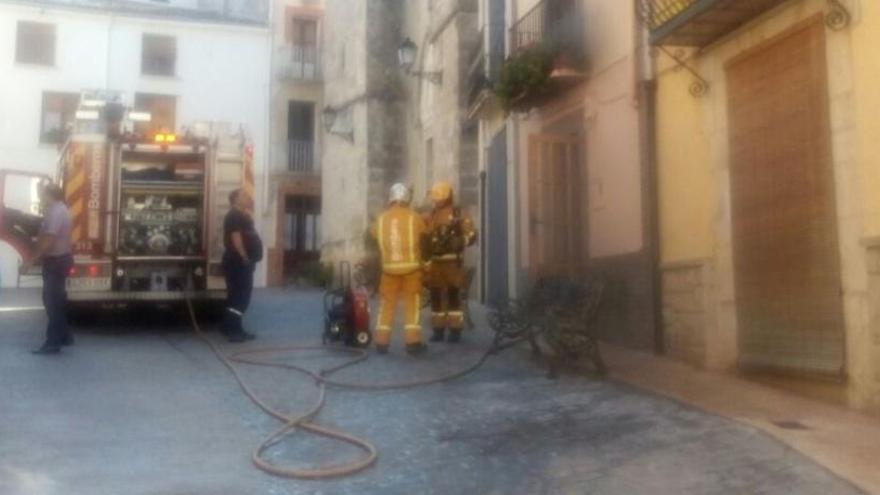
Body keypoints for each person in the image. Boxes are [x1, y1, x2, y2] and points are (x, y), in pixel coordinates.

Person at [369, 183, 428, 355]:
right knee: (412, 305)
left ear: (391, 198)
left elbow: (372, 235)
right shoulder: (414, 217)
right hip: (412, 270)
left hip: (389, 270)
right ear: (406, 198)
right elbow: (424, 236)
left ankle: (381, 342)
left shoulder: (381, 220)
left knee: (386, 305)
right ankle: (413, 343)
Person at [21, 184, 74, 355]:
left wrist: (31, 261)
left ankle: (53, 343)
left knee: (52, 303)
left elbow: (49, 239)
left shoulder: (57, 212)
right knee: (54, 300)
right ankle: (65, 336)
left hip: (56, 261)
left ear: (50, 194)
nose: (40, 197)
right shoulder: (55, 210)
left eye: (42, 194)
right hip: (57, 260)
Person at [424, 181, 477, 343]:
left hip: (453, 264)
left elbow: (472, 235)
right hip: (435, 264)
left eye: (437, 198)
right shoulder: (432, 215)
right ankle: (438, 330)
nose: (435, 201)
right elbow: (425, 236)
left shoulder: (458, 214)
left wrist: (459, 241)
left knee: (454, 296)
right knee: (436, 298)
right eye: (434, 198)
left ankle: (455, 331)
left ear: (446, 197)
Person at [221, 189, 262, 342]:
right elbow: (236, 238)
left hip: (241, 262)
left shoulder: (242, 215)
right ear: (235, 199)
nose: (248, 197)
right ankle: (233, 331)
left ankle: (231, 328)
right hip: (237, 262)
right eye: (244, 195)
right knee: (240, 298)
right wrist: (245, 257)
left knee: (239, 297)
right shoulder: (233, 216)